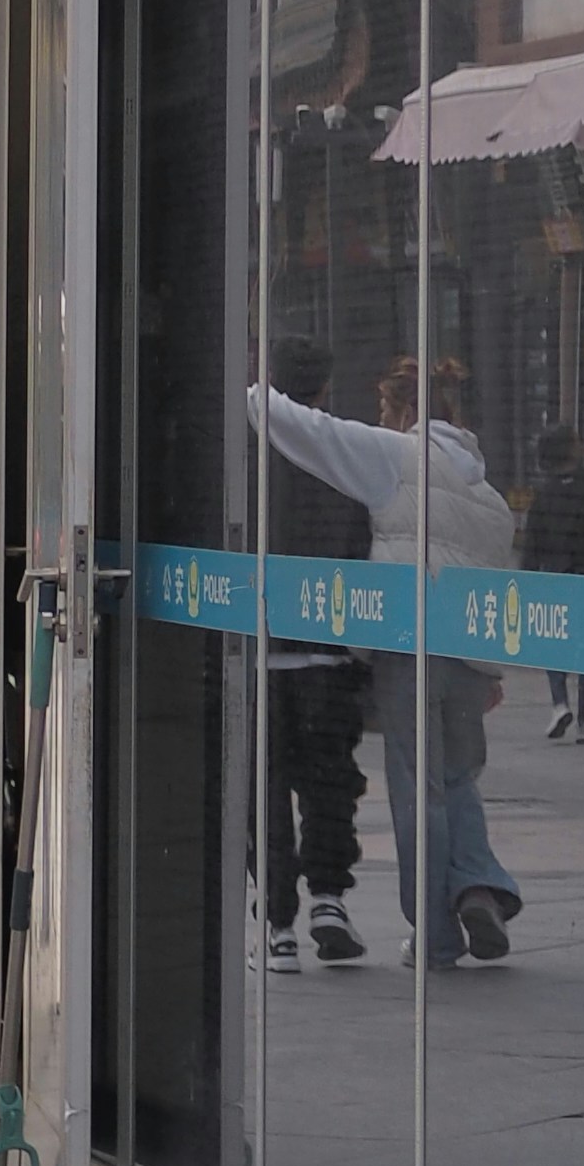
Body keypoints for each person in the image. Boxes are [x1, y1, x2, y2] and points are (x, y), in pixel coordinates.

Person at [248, 353, 523, 969]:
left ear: (405, 411)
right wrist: (492, 672)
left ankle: (435, 936)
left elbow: (313, 431)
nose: (377, 419)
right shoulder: (487, 492)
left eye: (382, 408)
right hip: (469, 661)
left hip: (408, 650)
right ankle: (476, 885)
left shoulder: (397, 456)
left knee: (418, 792)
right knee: (458, 780)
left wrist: (249, 388)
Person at [258, 333, 372, 972]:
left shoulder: (249, 451)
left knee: (265, 790)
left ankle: (277, 926)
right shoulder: (343, 452)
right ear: (325, 387)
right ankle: (329, 900)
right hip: (329, 654)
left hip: (261, 653)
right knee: (330, 782)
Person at [520, 424, 584, 741]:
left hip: (555, 576)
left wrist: (528, 578)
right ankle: (583, 723)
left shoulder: (544, 493)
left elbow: (533, 541)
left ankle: (560, 703)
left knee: (554, 640)